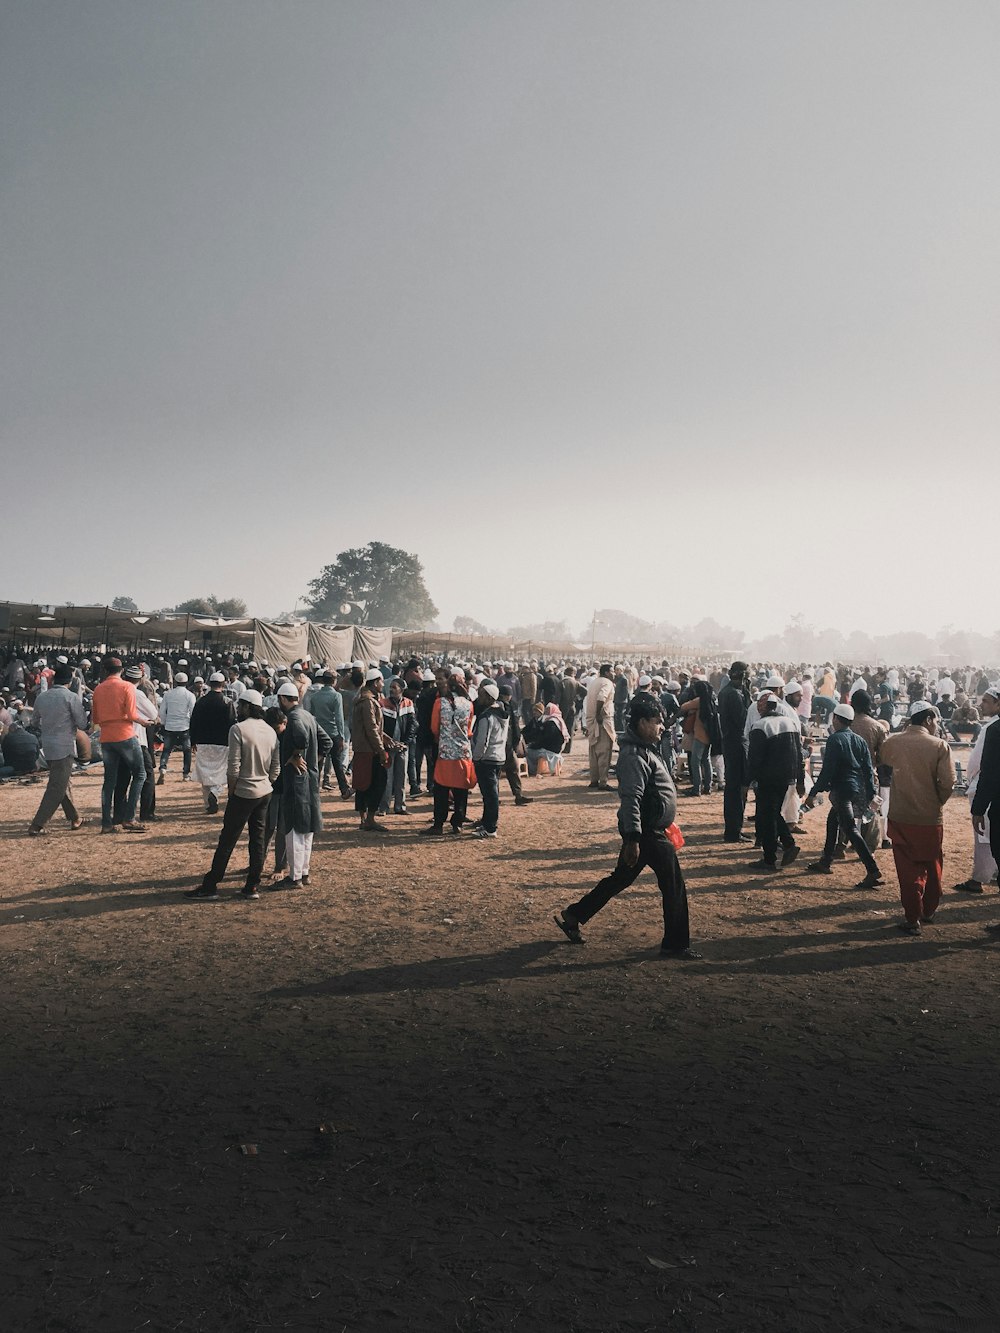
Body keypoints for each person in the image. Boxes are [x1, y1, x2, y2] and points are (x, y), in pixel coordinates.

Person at [552, 694, 700, 959]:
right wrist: (633, 839)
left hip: (648, 830)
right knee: (673, 885)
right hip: (646, 834)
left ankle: (574, 914)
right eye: (656, 722)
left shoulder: (644, 749)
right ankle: (676, 944)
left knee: (620, 879)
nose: (661, 727)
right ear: (642, 723)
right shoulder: (633, 756)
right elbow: (631, 799)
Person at [185, 690, 280, 901]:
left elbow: (233, 767)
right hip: (264, 791)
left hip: (244, 791)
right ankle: (252, 886)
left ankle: (210, 886)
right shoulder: (270, 730)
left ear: (247, 706)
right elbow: (275, 767)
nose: (237, 709)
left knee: (227, 840)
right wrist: (266, 782)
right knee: (258, 839)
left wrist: (232, 789)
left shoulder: (238, 729)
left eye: (240, 706)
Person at [880, 702, 956, 934]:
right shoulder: (939, 746)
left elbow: (883, 769)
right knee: (932, 864)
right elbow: (949, 782)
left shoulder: (891, 742)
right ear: (928, 719)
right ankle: (929, 909)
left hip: (900, 815)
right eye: (935, 721)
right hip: (929, 818)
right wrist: (936, 801)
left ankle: (912, 917)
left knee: (906, 869)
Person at [802, 703, 883, 889]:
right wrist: (871, 793)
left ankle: (872, 870)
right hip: (856, 789)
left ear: (836, 719)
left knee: (850, 828)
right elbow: (868, 771)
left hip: (841, 791)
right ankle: (826, 860)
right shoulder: (859, 741)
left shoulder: (834, 740)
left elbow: (827, 771)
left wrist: (813, 793)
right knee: (833, 821)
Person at [272, 679, 330, 887]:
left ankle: (294, 877)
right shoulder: (307, 715)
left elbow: (301, 739)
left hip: (295, 781)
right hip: (310, 779)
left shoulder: (294, 717)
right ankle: (303, 873)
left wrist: (297, 755)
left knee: (294, 829)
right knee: (306, 829)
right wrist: (314, 761)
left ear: (282, 699)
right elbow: (327, 742)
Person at [745, 692, 804, 872]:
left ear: (760, 709)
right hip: (786, 777)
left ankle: (770, 858)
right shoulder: (790, 723)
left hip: (766, 778)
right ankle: (787, 844)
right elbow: (798, 754)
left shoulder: (760, 726)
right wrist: (799, 779)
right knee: (772, 812)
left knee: (767, 815)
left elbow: (754, 758)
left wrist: (749, 780)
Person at [27, 662, 87, 835]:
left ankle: (74, 817)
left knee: (61, 782)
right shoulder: (71, 697)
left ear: (53, 680)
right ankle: (37, 824)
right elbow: (82, 723)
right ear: (69, 681)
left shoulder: (42, 697)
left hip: (48, 746)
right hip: (65, 745)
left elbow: (34, 722)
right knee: (57, 786)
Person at [90, 656, 146, 833]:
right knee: (140, 774)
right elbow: (131, 714)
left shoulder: (98, 689)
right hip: (125, 735)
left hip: (106, 738)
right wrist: (144, 722)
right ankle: (129, 818)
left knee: (109, 782)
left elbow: (96, 718)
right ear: (121, 670)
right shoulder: (127, 686)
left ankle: (107, 823)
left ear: (105, 671)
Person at [956, 686, 1000, 895]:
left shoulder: (992, 729)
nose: (981, 705)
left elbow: (980, 764)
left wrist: (973, 786)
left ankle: (979, 877)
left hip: (989, 791)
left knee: (984, 836)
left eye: (986, 701)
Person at [422, 668, 476, 836]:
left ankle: (439, 823)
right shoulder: (469, 704)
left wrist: (443, 739)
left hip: (445, 752)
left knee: (441, 789)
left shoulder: (440, 703)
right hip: (463, 753)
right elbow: (469, 729)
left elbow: (434, 727)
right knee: (461, 789)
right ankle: (458, 822)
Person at [351, 669, 393, 831]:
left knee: (362, 783)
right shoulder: (368, 701)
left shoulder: (361, 698)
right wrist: (381, 750)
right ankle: (370, 819)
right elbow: (371, 728)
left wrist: (386, 738)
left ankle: (364, 819)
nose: (383, 684)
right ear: (375, 682)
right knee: (377, 783)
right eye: (381, 681)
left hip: (362, 748)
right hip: (370, 750)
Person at [189, 672, 236, 815]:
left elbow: (194, 722)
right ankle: (215, 793)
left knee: (205, 773)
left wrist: (193, 741)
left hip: (203, 742)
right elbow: (232, 723)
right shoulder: (227, 702)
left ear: (209, 683)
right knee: (221, 772)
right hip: (222, 743)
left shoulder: (201, 701)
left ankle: (208, 804)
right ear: (223, 684)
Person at [303, 669, 351, 798]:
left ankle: (313, 789)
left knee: (317, 762)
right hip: (333, 733)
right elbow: (339, 718)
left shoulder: (315, 696)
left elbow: (312, 715)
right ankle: (344, 789)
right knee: (337, 762)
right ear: (334, 681)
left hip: (318, 733)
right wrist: (341, 736)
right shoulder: (336, 696)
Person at [718, 661, 752, 842]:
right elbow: (743, 720)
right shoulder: (734, 694)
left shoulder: (726, 692)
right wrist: (747, 693)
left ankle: (734, 829)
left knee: (734, 789)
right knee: (737, 790)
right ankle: (733, 831)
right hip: (737, 743)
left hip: (731, 743)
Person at [471, 679, 509, 839]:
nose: (479, 698)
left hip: (486, 759)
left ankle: (490, 827)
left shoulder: (487, 717)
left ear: (488, 697)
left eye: (481, 695)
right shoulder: (502, 713)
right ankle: (487, 822)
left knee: (490, 794)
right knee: (491, 793)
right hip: (498, 756)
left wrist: (476, 758)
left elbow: (482, 741)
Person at [378, 677, 415, 815]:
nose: (391, 689)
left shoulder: (408, 704)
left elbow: (412, 725)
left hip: (403, 747)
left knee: (401, 777)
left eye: (395, 687)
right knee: (387, 778)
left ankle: (400, 806)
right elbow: (380, 727)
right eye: (391, 687)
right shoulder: (383, 703)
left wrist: (406, 742)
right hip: (388, 747)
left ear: (401, 689)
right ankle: (384, 807)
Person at [157, 672, 195, 782]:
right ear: (187, 682)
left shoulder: (168, 694)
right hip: (184, 726)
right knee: (186, 751)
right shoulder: (190, 695)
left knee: (166, 750)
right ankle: (185, 774)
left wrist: (164, 722)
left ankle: (163, 768)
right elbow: (193, 712)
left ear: (175, 681)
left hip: (170, 726)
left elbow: (162, 711)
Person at [585, 664, 615, 790]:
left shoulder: (594, 682)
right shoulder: (607, 683)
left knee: (593, 751)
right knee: (604, 751)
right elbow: (601, 698)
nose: (614, 674)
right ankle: (603, 781)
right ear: (607, 672)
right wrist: (598, 714)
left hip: (591, 720)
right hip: (601, 720)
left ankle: (594, 780)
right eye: (612, 671)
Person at [522, 701, 568, 775]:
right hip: (553, 748)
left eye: (548, 710)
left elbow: (545, 739)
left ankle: (532, 770)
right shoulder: (554, 721)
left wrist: (533, 745)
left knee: (528, 752)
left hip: (550, 750)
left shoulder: (551, 723)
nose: (546, 712)